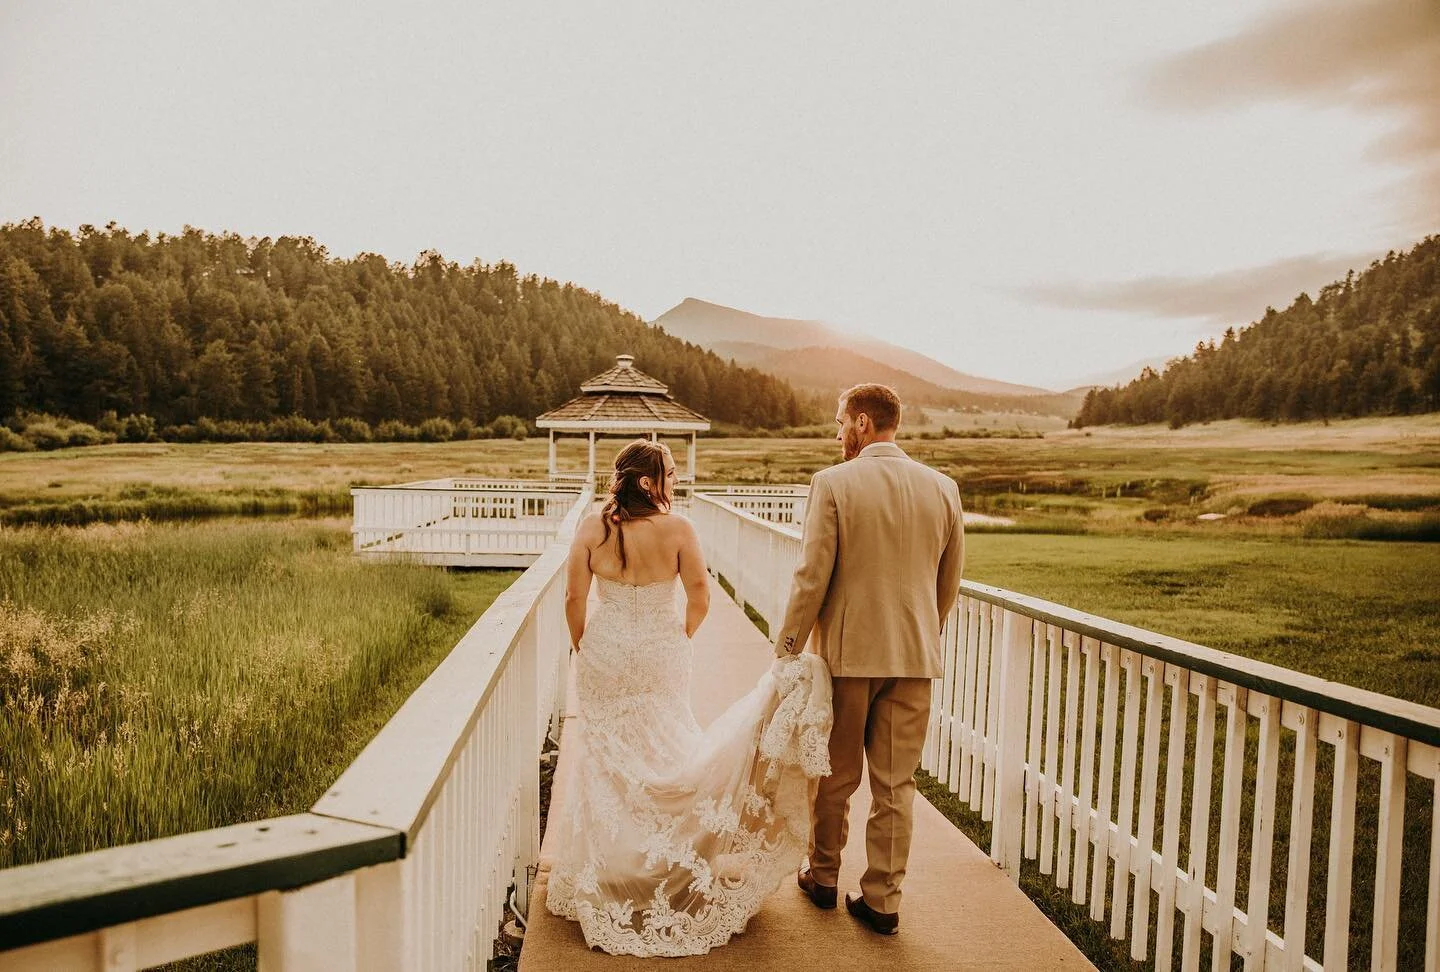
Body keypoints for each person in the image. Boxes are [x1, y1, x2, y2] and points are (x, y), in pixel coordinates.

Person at [546, 439, 833, 957]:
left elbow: (574, 597)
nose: (677, 481)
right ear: (649, 481)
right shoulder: (679, 530)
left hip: (605, 648)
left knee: (607, 755)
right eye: (671, 474)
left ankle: (614, 868)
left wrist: (582, 643)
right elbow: (699, 594)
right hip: (660, 647)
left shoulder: (592, 526)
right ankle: (669, 857)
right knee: (666, 744)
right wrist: (677, 637)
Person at [777, 383, 964, 936]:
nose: (837, 434)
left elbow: (812, 577)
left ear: (862, 423)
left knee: (834, 776)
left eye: (840, 422)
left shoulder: (833, 483)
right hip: (914, 656)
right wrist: (921, 634)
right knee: (895, 783)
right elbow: (947, 581)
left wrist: (787, 648)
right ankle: (883, 900)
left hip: (848, 656)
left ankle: (825, 877)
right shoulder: (943, 488)